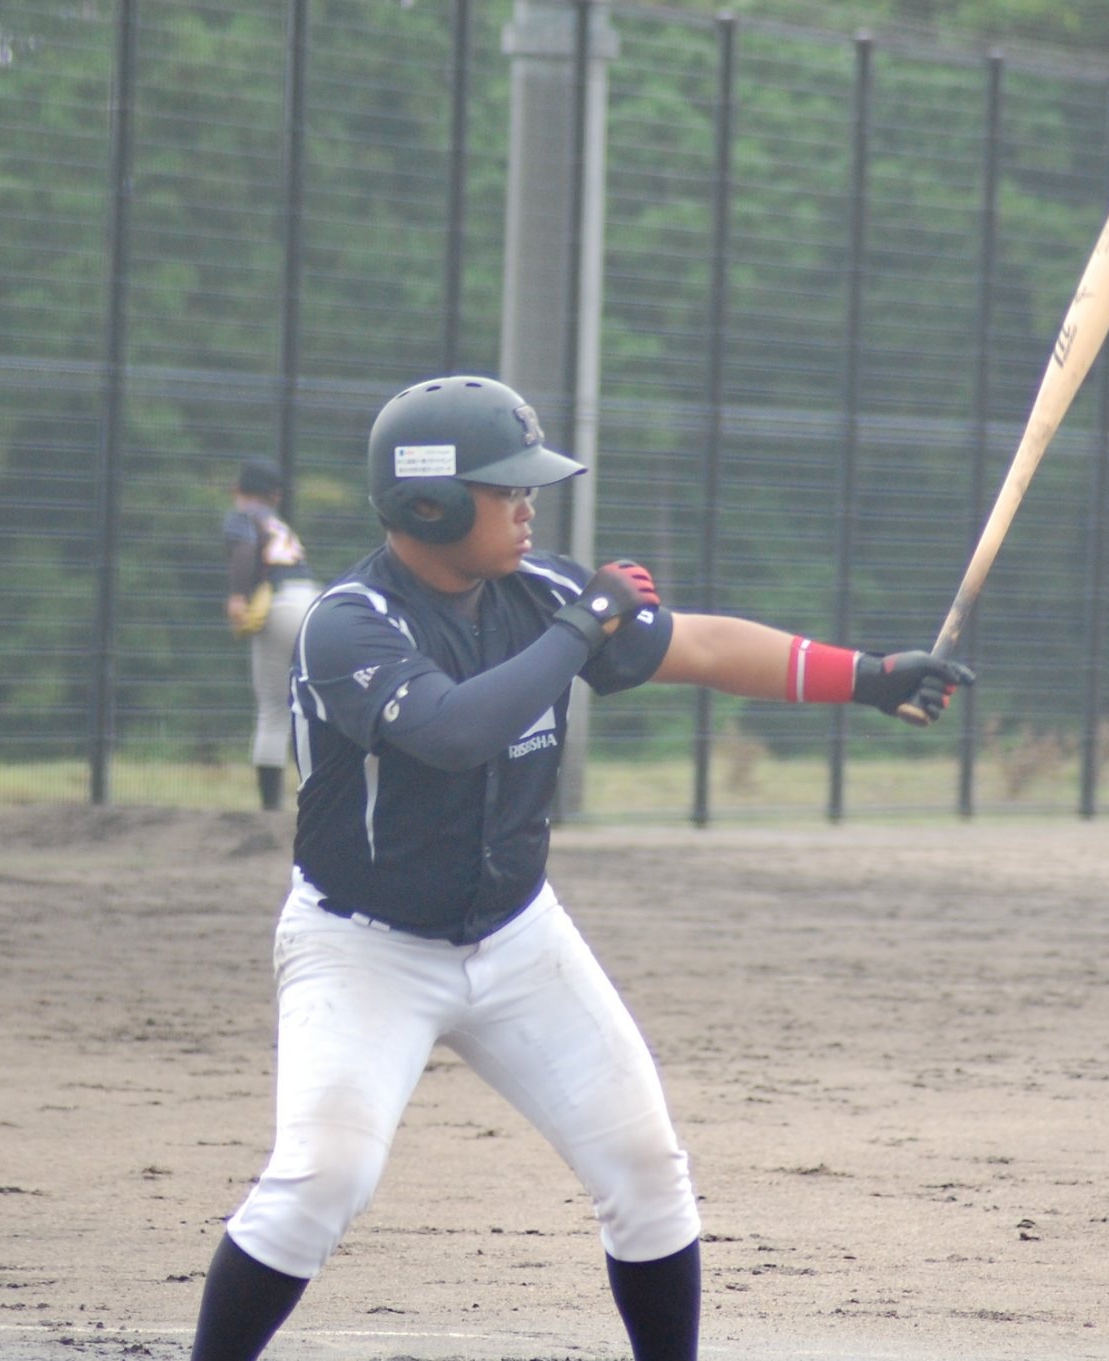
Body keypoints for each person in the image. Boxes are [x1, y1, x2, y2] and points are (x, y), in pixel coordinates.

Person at [187, 375, 973, 1361]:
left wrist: (865, 676)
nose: (528, 507)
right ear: (428, 503)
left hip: (517, 935)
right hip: (362, 950)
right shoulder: (350, 622)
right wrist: (581, 626)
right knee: (321, 1181)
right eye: (505, 489)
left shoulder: (543, 591)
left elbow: (699, 644)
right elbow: (454, 731)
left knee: (645, 1168)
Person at [224, 458, 319, 812]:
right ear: (275, 496)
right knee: (315, 707)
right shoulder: (278, 523)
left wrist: (237, 596)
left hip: (279, 606)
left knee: (272, 709)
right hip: (315, 604)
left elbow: (245, 549)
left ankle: (270, 812)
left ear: (237, 489)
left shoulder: (244, 516)